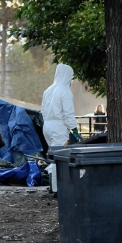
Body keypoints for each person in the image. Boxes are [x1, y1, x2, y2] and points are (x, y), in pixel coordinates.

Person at [41, 63, 80, 195]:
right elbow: (68, 113)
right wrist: (74, 129)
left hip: (46, 125)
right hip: (58, 126)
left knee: (53, 156)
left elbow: (42, 110)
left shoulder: (48, 90)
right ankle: (58, 189)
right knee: (60, 158)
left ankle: (53, 186)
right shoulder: (65, 90)